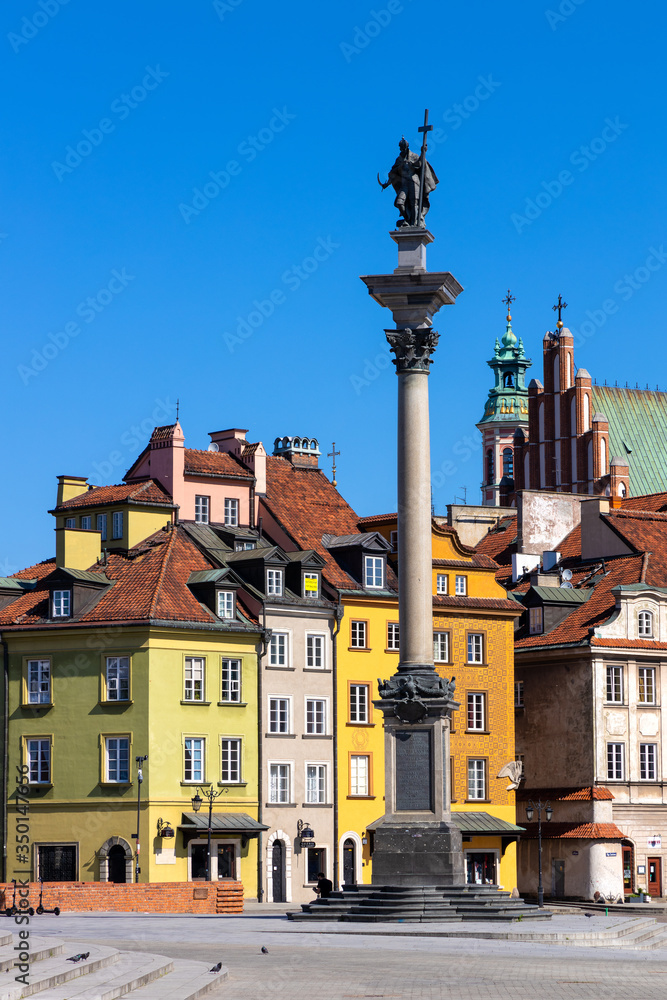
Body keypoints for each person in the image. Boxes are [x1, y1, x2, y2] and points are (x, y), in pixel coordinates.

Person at [379, 137, 438, 228]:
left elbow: (419, 163)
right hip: (404, 184)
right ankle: (407, 219)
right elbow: (393, 173)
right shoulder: (399, 159)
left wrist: (422, 152)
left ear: (407, 147)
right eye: (401, 147)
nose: (402, 149)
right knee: (400, 202)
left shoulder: (413, 156)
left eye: (403, 147)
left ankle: (414, 223)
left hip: (414, 182)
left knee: (414, 204)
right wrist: (386, 184)